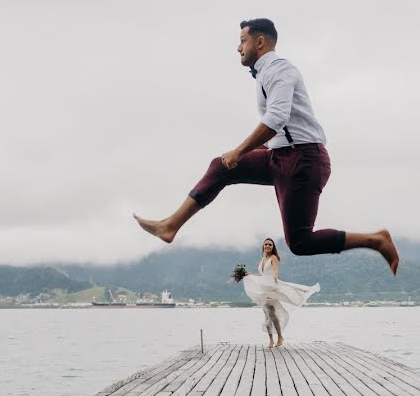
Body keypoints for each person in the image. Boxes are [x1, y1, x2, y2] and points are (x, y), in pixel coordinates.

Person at [134, 18, 399, 275]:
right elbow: (279, 128)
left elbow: (276, 118)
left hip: (304, 160)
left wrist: (240, 151)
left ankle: (376, 240)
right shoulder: (264, 74)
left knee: (300, 242)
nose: (238, 48)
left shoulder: (280, 70)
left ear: (260, 42)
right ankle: (169, 226)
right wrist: (248, 153)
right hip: (283, 155)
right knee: (221, 166)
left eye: (242, 41)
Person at [242, 238, 319, 348]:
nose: (268, 246)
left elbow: (275, 270)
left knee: (270, 313)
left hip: (270, 287)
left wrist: (275, 278)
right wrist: (249, 274)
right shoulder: (263, 258)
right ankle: (272, 340)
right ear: (263, 246)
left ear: (273, 247)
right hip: (262, 289)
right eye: (266, 244)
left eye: (270, 244)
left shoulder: (274, 258)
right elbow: (262, 275)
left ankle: (279, 337)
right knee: (268, 315)